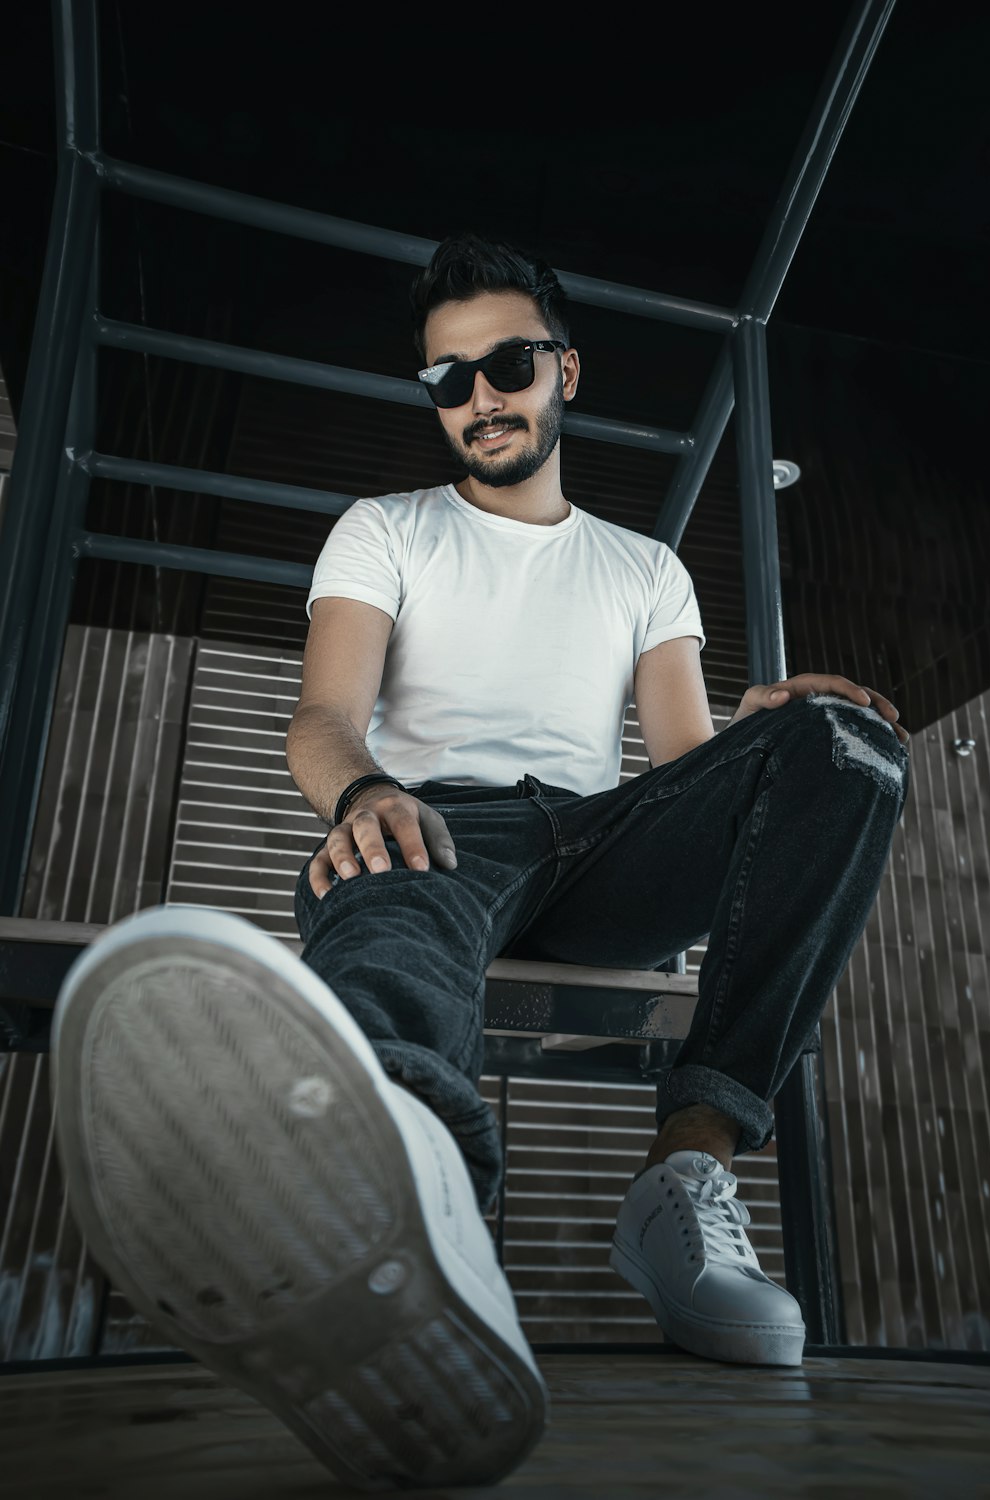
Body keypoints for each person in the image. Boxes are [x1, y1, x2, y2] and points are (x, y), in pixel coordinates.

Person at [51, 232, 911, 1491]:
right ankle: (409, 1206)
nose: (477, 398)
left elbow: (682, 771)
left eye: (503, 364)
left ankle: (687, 1173)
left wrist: (766, 737)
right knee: (388, 883)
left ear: (566, 368)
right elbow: (323, 718)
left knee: (846, 746)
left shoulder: (645, 568)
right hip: (440, 821)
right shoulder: (384, 528)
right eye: (446, 379)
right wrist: (362, 793)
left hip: (601, 842)